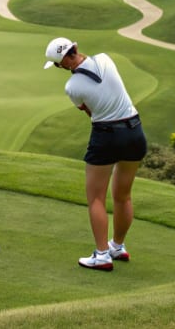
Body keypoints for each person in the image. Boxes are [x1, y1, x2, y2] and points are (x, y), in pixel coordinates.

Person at [43, 37, 147, 272]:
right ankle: (117, 247)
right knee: (123, 196)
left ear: (61, 65)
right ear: (76, 48)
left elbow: (90, 112)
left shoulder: (72, 87)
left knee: (96, 198)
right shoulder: (105, 58)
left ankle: (102, 255)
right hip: (135, 130)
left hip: (106, 135)